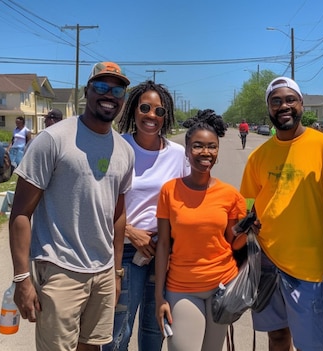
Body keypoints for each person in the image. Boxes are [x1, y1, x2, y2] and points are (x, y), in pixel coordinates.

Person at [9, 61, 134, 351]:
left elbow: (118, 215)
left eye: (117, 90)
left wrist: (115, 274)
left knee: (92, 347)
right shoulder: (52, 140)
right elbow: (20, 213)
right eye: (101, 87)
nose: (109, 94)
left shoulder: (124, 150)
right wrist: (21, 278)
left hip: (103, 272)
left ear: (123, 99)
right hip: (60, 269)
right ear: (86, 91)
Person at [239, 77, 323, 351]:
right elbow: (248, 203)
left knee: (309, 344)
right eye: (276, 101)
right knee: (277, 338)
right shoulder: (259, 156)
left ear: (301, 104)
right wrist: (249, 218)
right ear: (269, 109)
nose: (283, 106)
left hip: (306, 267)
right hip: (265, 264)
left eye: (289, 100)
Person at [103, 80, 190, 351]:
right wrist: (130, 231)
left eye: (159, 111)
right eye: (145, 107)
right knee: (120, 328)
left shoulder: (178, 155)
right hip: (126, 251)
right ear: (133, 110)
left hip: (164, 253)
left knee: (156, 328)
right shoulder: (118, 147)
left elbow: (187, 201)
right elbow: (100, 199)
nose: (152, 116)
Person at [155, 109, 247, 351]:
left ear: (217, 151)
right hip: (182, 288)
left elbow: (234, 243)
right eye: (197, 146)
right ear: (186, 151)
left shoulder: (230, 195)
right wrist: (159, 296)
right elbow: (163, 245)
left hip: (223, 286)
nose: (205, 152)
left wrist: (248, 230)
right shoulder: (169, 191)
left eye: (211, 146)